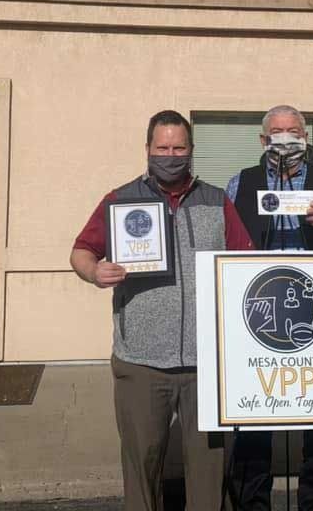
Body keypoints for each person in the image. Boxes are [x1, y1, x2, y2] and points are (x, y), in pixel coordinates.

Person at [71, 110, 254, 511]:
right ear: (148, 149)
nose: (170, 155)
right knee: (142, 468)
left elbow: (245, 260)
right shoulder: (120, 200)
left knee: (209, 473)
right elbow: (81, 251)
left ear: (190, 150)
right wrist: (95, 271)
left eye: (178, 147)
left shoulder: (216, 200)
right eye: (162, 147)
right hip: (142, 362)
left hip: (207, 363)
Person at [225, 104, 313, 511]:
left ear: (305, 138)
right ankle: (252, 502)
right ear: (263, 139)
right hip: (259, 312)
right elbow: (223, 241)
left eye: (294, 131)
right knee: (255, 413)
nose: (285, 138)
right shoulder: (241, 182)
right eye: (277, 131)